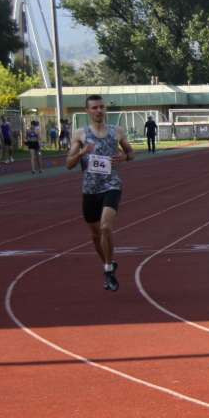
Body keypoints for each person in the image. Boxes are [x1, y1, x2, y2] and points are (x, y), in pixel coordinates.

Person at [65, 94, 135, 292]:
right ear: (87, 111)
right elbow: (69, 165)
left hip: (111, 185)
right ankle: (108, 262)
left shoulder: (117, 131)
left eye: (102, 107)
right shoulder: (80, 134)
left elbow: (131, 154)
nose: (99, 111)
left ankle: (108, 270)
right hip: (90, 190)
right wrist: (81, 152)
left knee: (105, 227)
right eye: (94, 107)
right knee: (96, 235)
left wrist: (123, 157)